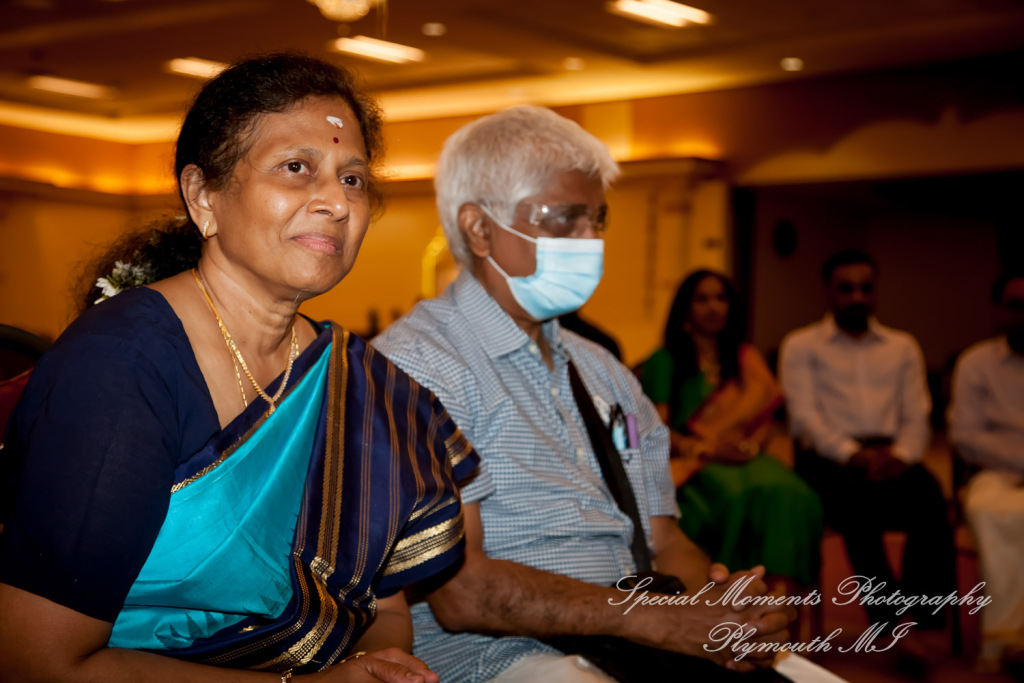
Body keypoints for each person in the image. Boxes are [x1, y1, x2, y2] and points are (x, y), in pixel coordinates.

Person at [0, 54, 477, 682]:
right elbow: (36, 661)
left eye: (353, 179)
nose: (336, 202)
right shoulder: (120, 366)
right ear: (204, 196)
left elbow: (381, 611)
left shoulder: (360, 383)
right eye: (296, 168)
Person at [373, 105, 793, 683]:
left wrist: (724, 610)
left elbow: (664, 540)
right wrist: (659, 621)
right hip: (501, 655)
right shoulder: (418, 366)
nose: (590, 239)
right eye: (565, 218)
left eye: (598, 219)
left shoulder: (604, 371)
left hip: (634, 634)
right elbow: (462, 590)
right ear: (480, 228)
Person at [778, 249, 955, 641]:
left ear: (876, 290)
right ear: (828, 291)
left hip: (892, 454)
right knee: (857, 506)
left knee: (930, 498)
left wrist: (902, 456)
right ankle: (889, 622)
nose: (856, 297)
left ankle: (926, 622)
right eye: (846, 289)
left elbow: (917, 414)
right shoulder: (801, 345)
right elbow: (805, 418)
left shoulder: (902, 346)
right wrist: (853, 455)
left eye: (865, 288)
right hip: (828, 458)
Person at [639, 270, 822, 589]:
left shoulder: (745, 359)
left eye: (720, 298)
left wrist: (749, 448)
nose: (713, 307)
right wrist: (706, 448)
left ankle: (778, 596)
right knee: (737, 496)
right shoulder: (665, 360)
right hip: (692, 462)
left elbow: (763, 420)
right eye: (702, 299)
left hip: (744, 457)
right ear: (685, 308)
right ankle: (730, 592)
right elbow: (656, 432)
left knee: (793, 493)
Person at [948, 272, 1024, 674]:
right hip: (994, 473)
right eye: (1017, 305)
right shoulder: (976, 363)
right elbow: (965, 435)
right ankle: (1004, 642)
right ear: (999, 311)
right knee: (992, 511)